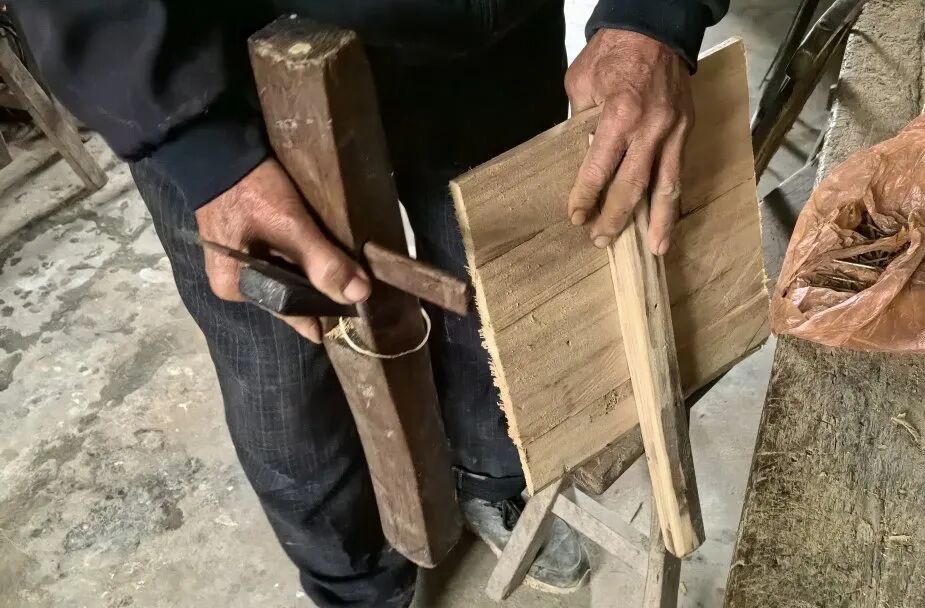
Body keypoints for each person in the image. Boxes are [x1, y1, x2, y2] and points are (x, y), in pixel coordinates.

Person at [14, 1, 726, 605]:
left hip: (484, 28)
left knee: (498, 297)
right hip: (223, 59)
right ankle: (357, 585)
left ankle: (492, 478)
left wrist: (654, 13)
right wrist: (194, 141)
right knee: (281, 371)